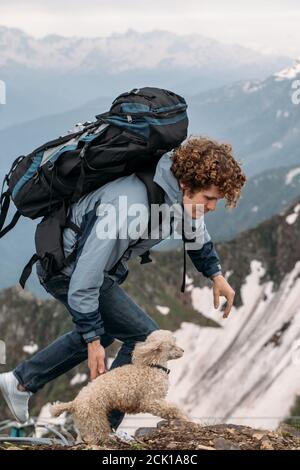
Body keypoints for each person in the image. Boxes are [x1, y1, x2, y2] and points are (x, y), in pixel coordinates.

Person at [0, 136, 246, 432]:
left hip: (91, 271)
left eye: (217, 200)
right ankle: (102, 431)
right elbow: (84, 278)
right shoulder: (131, 205)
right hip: (68, 270)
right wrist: (91, 339)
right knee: (144, 339)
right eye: (209, 198)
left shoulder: (176, 194)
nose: (212, 207)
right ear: (186, 185)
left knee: (105, 332)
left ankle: (21, 381)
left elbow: (194, 229)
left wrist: (215, 275)